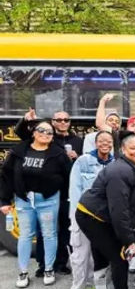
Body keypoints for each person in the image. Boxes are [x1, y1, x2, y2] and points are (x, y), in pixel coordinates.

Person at [75, 134, 135, 289]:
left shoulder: (131, 166)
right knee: (120, 259)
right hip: (91, 216)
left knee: (103, 257)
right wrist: (129, 240)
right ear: (123, 150)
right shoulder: (119, 171)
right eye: (133, 148)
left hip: (101, 216)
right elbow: (119, 209)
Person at [0, 121, 72, 288]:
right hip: (24, 200)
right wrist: (4, 200)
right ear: (33, 132)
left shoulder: (58, 154)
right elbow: (7, 175)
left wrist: (66, 198)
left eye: (49, 132)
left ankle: (49, 269)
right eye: (41, 130)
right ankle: (23, 272)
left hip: (48, 200)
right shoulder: (19, 150)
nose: (45, 134)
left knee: (49, 234)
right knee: (25, 235)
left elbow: (69, 176)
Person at [15, 109, 83, 275]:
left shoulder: (78, 141)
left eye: (66, 120)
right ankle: (42, 264)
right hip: (46, 193)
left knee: (64, 228)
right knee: (42, 229)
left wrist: (77, 156)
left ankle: (60, 262)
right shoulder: (46, 136)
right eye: (58, 119)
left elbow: (84, 163)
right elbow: (21, 133)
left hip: (67, 192)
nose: (62, 122)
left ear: (70, 122)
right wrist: (26, 120)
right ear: (52, 122)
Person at [68, 131, 115, 289]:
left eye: (109, 141)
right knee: (81, 255)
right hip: (82, 216)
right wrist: (75, 218)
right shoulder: (83, 161)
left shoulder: (114, 163)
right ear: (95, 143)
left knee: (97, 256)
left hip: (102, 220)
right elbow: (74, 191)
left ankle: (93, 287)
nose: (105, 143)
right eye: (101, 140)